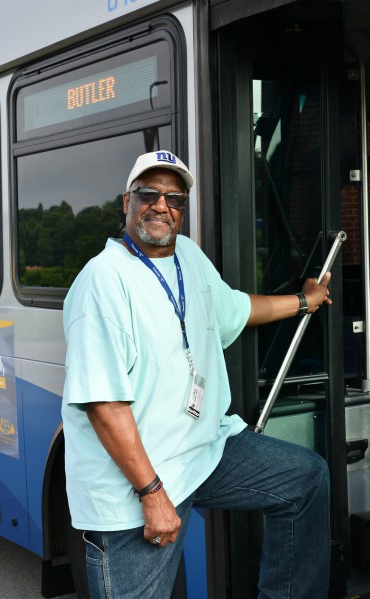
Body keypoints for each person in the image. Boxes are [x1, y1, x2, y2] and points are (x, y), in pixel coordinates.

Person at [62, 150, 331, 599]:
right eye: (149, 194)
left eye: (174, 198)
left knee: (305, 479)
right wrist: (153, 495)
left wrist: (305, 302)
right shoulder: (103, 281)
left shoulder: (187, 254)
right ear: (125, 202)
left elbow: (236, 308)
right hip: (136, 486)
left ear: (183, 208)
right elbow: (104, 405)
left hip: (201, 453)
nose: (162, 205)